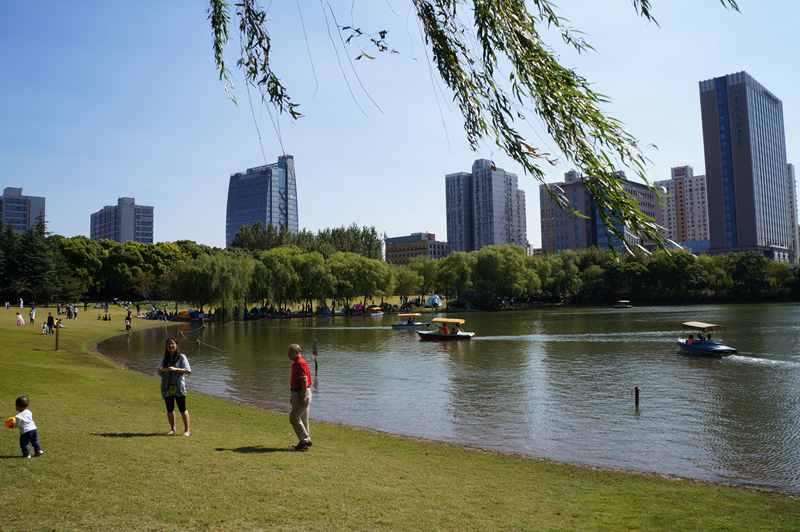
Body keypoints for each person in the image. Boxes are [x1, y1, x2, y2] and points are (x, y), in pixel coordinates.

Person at [158, 337, 192, 436]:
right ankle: (173, 429)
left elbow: (188, 370)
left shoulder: (182, 357)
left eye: (172, 343)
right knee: (170, 409)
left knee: (182, 409)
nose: (170, 346)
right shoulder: (165, 358)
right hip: (167, 387)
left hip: (179, 387)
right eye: (168, 344)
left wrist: (175, 369)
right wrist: (163, 370)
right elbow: (159, 371)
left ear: (176, 345)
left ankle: (187, 431)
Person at [287, 344, 312, 451]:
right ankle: (304, 443)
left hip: (300, 393)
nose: (288, 354)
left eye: (289, 352)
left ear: (295, 352)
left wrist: (303, 396)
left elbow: (304, 380)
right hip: (300, 392)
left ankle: (305, 440)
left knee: (293, 417)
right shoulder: (297, 362)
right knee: (303, 419)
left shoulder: (299, 363)